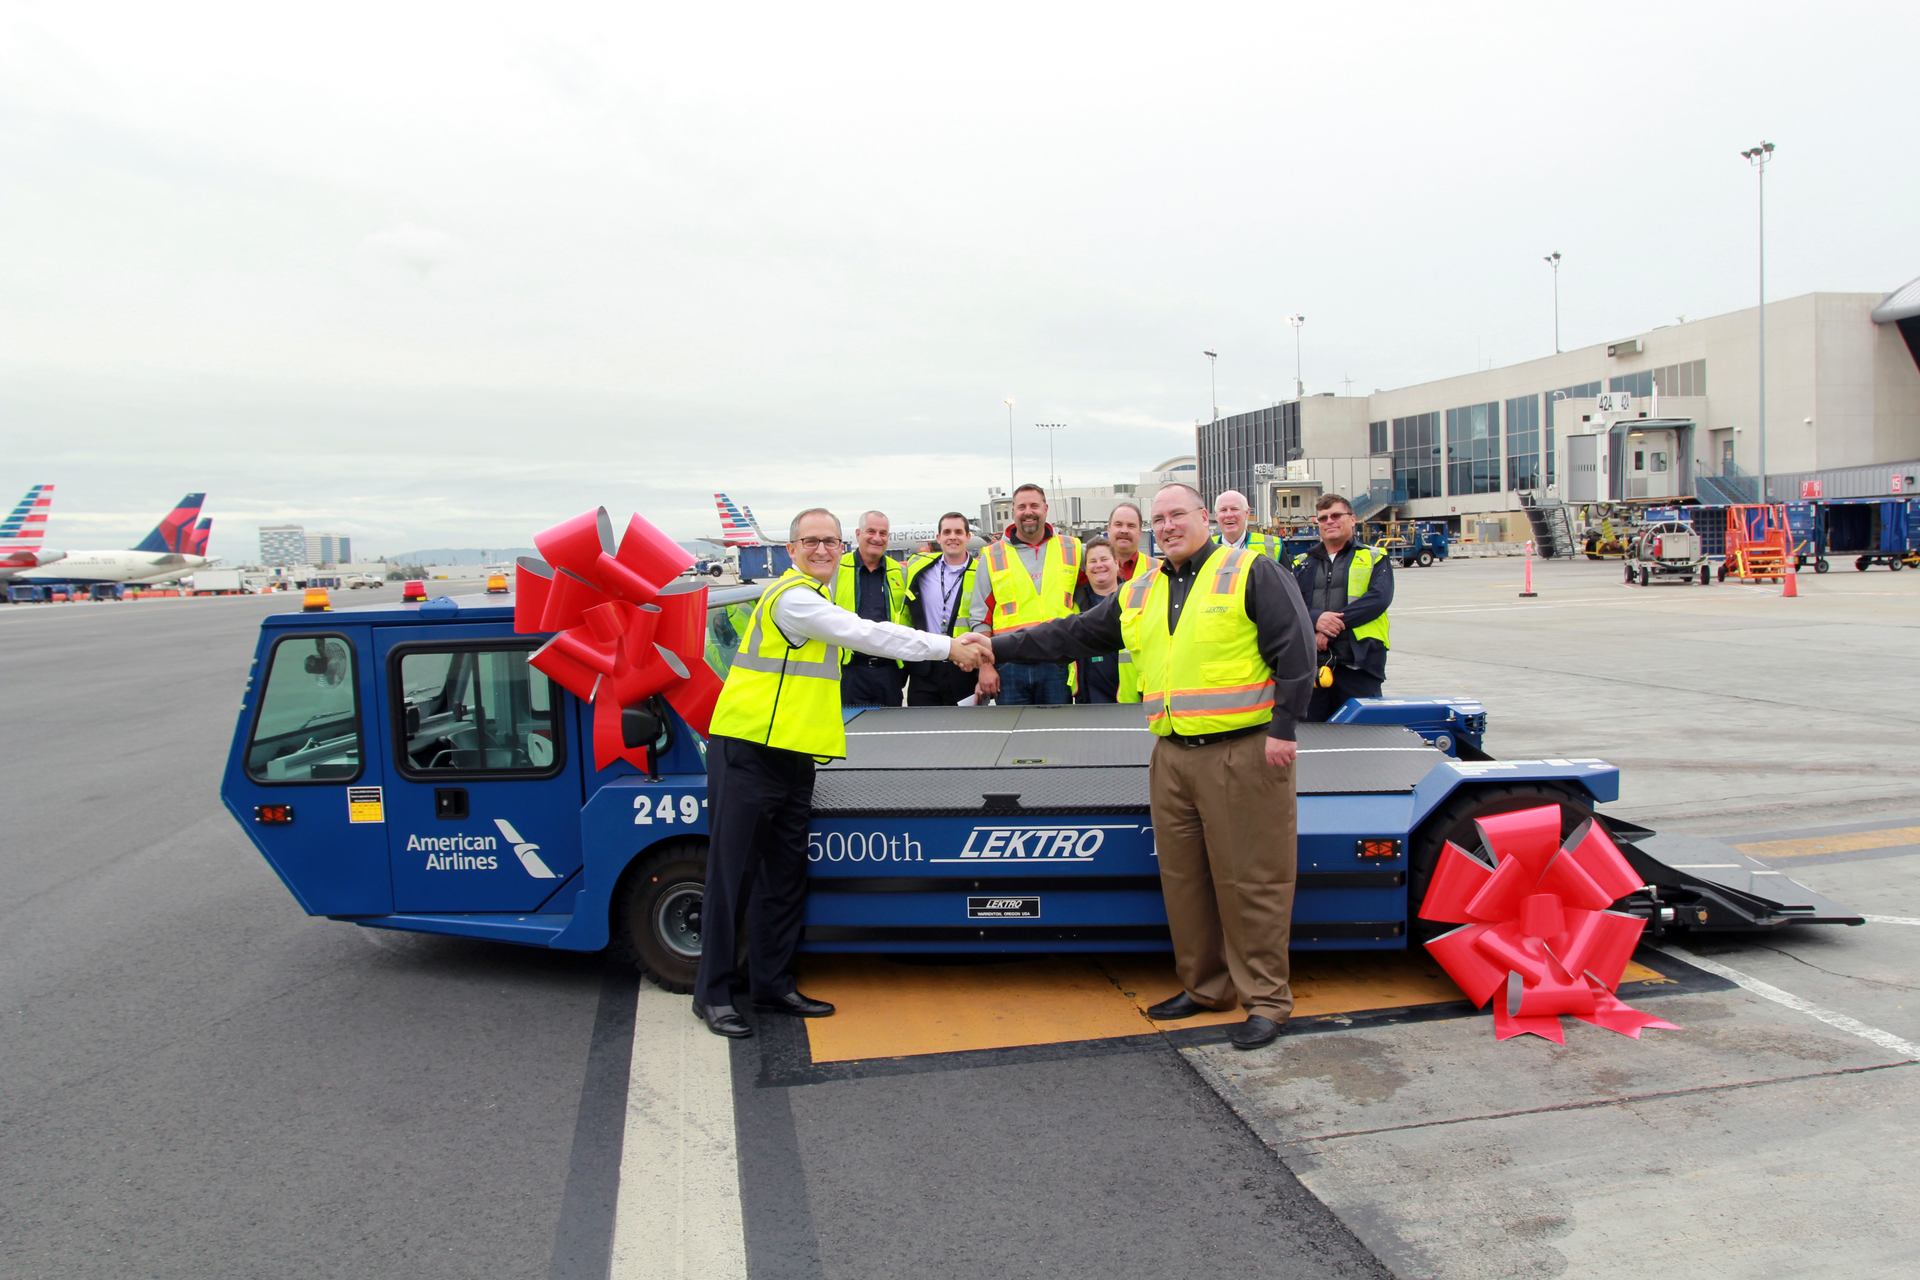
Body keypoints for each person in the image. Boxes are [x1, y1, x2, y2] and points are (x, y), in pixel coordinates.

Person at [959, 484, 1315, 1050]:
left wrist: (1285, 729)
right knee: (1184, 881)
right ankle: (1205, 988)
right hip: (1171, 753)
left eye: (1178, 515)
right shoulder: (1142, 589)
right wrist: (997, 646)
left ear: (1204, 517)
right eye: (1159, 519)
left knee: (1252, 880)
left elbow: (1296, 649)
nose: (1167, 526)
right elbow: (1071, 633)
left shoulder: (1250, 571)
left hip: (1242, 750)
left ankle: (1266, 1000)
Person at [696, 508, 988, 1038]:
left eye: (830, 541)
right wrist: (948, 647)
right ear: (791, 549)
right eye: (811, 541)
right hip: (749, 751)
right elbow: (865, 633)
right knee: (732, 879)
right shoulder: (794, 598)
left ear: (841, 547)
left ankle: (772, 984)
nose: (823, 550)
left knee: (784, 879)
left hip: (792, 755)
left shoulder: (816, 595)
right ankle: (712, 994)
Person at [969, 483, 1082, 705]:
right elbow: (980, 618)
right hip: (1009, 666)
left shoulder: (1072, 548)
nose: (1028, 512)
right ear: (1013, 511)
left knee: (1058, 727)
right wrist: (985, 666)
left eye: (1034, 505)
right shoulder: (992, 555)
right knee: (1012, 728)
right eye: (1022, 507)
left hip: (1057, 662)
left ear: (1046, 509)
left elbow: (1099, 589)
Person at [1290, 493, 1393, 721]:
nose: (1329, 521)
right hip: (1315, 666)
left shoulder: (1374, 557)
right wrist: (1316, 620)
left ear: (1352, 519)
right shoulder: (1302, 563)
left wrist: (1330, 627)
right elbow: (1292, 604)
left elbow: (1378, 599)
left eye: (1336, 515)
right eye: (1323, 518)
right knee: (1313, 735)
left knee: (1363, 735)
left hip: (1360, 666)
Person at [834, 509, 911, 707]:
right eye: (871, 531)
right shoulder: (837, 570)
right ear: (858, 534)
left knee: (889, 726)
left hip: (889, 672)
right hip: (849, 672)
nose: (877, 538)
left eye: (883, 533)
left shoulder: (900, 573)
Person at [904, 512, 982, 706]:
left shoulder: (981, 572)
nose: (952, 537)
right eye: (947, 532)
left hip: (964, 669)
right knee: (922, 724)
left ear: (968, 537)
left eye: (958, 532)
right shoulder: (919, 568)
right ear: (938, 538)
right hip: (925, 668)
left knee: (966, 725)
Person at [1070, 537, 1134, 704]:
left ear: (1116, 563)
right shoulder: (1075, 603)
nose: (1099, 565)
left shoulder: (1134, 599)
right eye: (1093, 561)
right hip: (1089, 698)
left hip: (1130, 699)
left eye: (1104, 559)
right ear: (1086, 568)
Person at [1213, 489, 1283, 560]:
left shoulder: (1274, 546)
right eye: (1223, 510)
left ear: (1247, 513)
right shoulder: (1207, 547)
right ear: (1216, 516)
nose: (1229, 515)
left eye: (1234, 509)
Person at [1105, 501, 1151, 582]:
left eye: (1131, 526)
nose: (1124, 531)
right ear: (1108, 530)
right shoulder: (1092, 568)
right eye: (1118, 524)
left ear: (1140, 533)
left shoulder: (1159, 568)